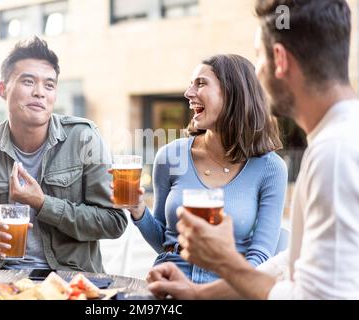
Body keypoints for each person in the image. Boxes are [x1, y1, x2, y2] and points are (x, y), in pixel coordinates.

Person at [147, 0, 359, 299]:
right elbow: (290, 264)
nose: (256, 75)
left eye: (258, 58)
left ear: (280, 60)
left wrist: (223, 260)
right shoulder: (335, 141)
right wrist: (197, 293)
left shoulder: (334, 153)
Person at [0, 37, 127, 272]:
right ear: (3, 89)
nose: (40, 93)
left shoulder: (83, 137)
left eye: (49, 85)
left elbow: (114, 222)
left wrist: (43, 204)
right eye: (28, 81)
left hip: (70, 280)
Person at [120, 54, 288, 283]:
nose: (188, 93)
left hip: (229, 287)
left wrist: (214, 292)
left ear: (233, 93)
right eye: (191, 84)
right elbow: (165, 242)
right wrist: (138, 210)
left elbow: (260, 255)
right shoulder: (170, 156)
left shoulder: (270, 168)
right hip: (170, 280)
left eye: (200, 83)